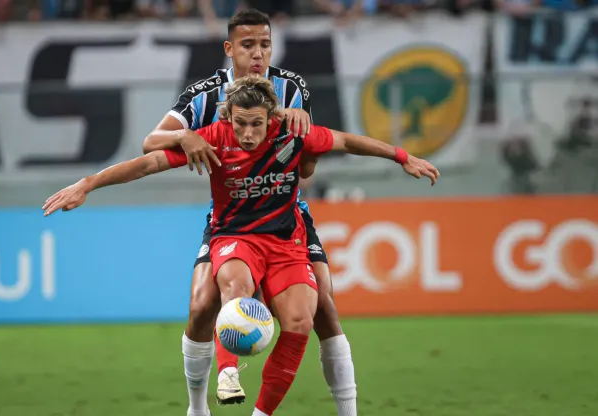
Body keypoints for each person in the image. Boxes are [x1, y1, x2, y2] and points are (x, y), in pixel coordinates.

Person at [42, 74, 440, 416]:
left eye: (256, 124)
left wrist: (401, 156)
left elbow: (348, 142)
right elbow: (146, 163)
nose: (247, 134)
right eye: (240, 124)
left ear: (272, 119)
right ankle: (228, 372)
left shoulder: (294, 134)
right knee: (235, 288)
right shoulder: (213, 137)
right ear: (227, 118)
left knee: (301, 320)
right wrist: (87, 184)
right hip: (234, 237)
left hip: (286, 243)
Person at [141, 9, 360, 413]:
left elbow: (310, 156)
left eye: (264, 44)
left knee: (324, 306)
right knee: (201, 304)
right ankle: (198, 406)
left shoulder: (293, 89)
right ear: (230, 49)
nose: (257, 54)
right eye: (247, 45)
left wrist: (305, 128)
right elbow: (151, 141)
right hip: (233, 217)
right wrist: (185, 136)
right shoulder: (206, 94)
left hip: (286, 213)